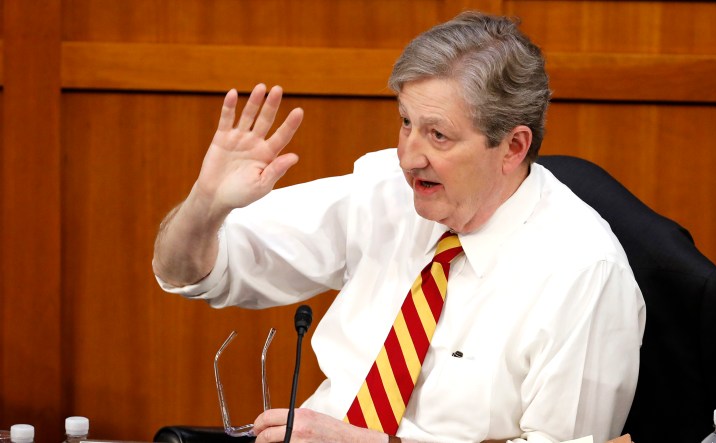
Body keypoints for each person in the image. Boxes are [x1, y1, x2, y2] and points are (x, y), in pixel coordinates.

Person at [153, 11, 645, 443]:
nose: (409, 156)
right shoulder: (386, 190)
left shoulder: (583, 272)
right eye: (405, 122)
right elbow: (192, 275)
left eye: (438, 134)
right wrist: (205, 206)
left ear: (513, 148)